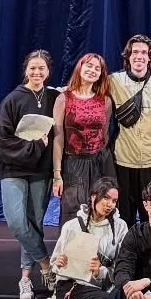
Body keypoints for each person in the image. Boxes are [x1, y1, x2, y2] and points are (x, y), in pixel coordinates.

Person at [0, 49, 58, 299]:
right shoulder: (13, 99)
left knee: (34, 224)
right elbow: (4, 140)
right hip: (14, 169)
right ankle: (46, 266)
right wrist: (35, 146)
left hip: (41, 171)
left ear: (48, 71)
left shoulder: (54, 97)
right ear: (26, 70)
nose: (37, 72)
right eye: (33, 68)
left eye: (41, 68)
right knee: (17, 223)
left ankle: (25, 280)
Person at [47, 177, 127, 299]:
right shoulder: (72, 225)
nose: (109, 205)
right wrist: (58, 263)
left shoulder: (120, 227)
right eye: (106, 198)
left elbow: (122, 266)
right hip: (71, 287)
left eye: (114, 201)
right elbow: (53, 264)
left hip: (101, 286)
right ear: (93, 196)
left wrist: (101, 271)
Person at [107, 35, 151, 222]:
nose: (139, 56)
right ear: (128, 57)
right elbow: (86, 90)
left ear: (150, 58)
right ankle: (127, 250)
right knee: (124, 214)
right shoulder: (113, 81)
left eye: (144, 52)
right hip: (124, 160)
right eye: (135, 52)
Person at [52, 53, 114, 200]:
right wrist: (57, 174)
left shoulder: (105, 101)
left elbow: (104, 134)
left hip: (100, 162)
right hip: (74, 163)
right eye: (89, 65)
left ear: (101, 74)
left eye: (97, 68)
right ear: (80, 68)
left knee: (101, 209)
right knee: (74, 211)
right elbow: (58, 139)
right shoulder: (63, 98)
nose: (92, 70)